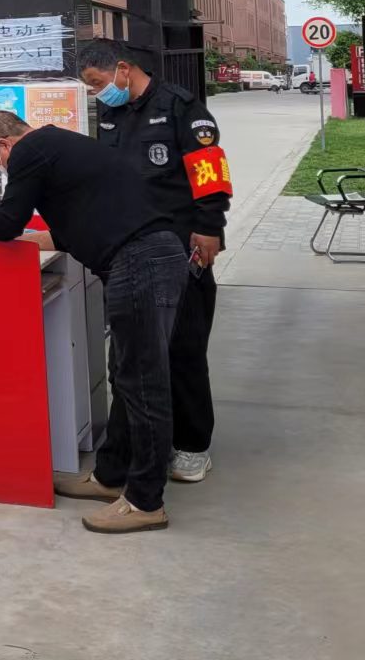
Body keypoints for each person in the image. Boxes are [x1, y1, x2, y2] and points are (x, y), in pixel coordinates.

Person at [0, 109, 188, 534]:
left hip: (141, 263)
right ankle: (110, 476)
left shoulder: (29, 149)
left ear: (3, 144)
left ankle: (145, 501)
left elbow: (6, 223)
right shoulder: (59, 144)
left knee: (143, 383)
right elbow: (76, 223)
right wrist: (29, 240)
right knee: (126, 376)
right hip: (150, 257)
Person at [77, 37, 232, 486]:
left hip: (182, 245)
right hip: (131, 251)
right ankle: (135, 450)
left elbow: (210, 172)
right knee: (130, 359)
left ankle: (193, 445)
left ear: (123, 70)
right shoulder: (112, 115)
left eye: (98, 82)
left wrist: (209, 227)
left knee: (183, 349)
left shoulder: (181, 109)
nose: (97, 92)